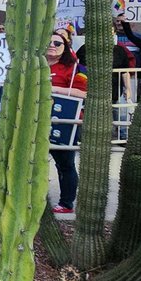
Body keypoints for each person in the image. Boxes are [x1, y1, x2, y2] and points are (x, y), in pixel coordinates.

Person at [49, 31, 88, 214]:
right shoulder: (32, 65)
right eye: (48, 42)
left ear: (65, 47)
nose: (52, 45)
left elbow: (85, 93)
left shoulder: (75, 69)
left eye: (57, 43)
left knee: (65, 164)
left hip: (64, 121)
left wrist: (53, 89)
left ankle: (66, 203)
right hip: (35, 120)